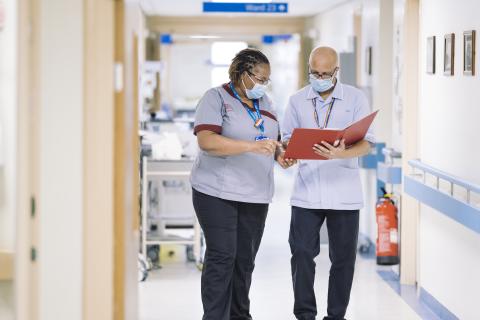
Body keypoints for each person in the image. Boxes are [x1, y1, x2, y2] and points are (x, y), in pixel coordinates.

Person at [190, 48, 295, 320]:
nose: (263, 85)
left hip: (256, 194)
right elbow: (207, 141)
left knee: (244, 262)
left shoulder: (266, 104)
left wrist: (280, 155)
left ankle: (239, 316)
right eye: (259, 79)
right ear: (241, 73)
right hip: (216, 192)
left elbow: (273, 140)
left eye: (266, 80)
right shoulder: (215, 98)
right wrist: (252, 146)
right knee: (223, 256)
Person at [282, 46, 375, 320]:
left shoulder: (356, 99)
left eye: (325, 73)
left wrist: (341, 153)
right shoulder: (297, 100)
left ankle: (336, 316)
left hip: (344, 192)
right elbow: (287, 138)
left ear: (336, 71)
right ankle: (305, 314)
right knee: (300, 254)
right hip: (307, 191)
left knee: (343, 260)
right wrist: (289, 154)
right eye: (314, 72)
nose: (319, 77)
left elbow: (368, 142)